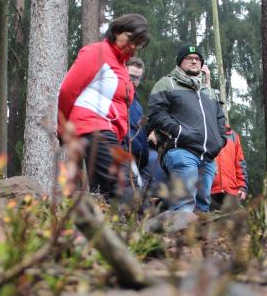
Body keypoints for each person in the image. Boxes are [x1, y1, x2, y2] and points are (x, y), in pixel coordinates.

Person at [57, 14, 149, 202]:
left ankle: (103, 230)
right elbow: (67, 90)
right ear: (116, 31)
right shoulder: (97, 52)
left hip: (112, 134)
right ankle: (138, 229)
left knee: (105, 195)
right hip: (93, 126)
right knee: (128, 187)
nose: (133, 46)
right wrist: (63, 127)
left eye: (138, 43)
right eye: (131, 39)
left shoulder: (122, 67)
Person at [147, 44, 227, 212]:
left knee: (202, 207)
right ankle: (176, 237)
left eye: (197, 59)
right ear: (179, 62)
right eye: (189, 58)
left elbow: (220, 119)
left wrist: (220, 141)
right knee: (184, 204)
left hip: (208, 157)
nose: (194, 61)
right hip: (181, 151)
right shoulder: (167, 83)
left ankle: (196, 239)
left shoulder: (210, 92)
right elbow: (156, 113)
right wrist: (178, 131)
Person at [123, 57, 149, 185]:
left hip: (138, 160)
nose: (133, 81)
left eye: (137, 78)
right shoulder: (117, 97)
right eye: (131, 76)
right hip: (122, 155)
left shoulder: (137, 105)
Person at [210, 125, 249, 210]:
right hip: (210, 192)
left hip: (231, 192)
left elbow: (240, 164)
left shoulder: (233, 136)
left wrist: (242, 187)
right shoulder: (205, 132)